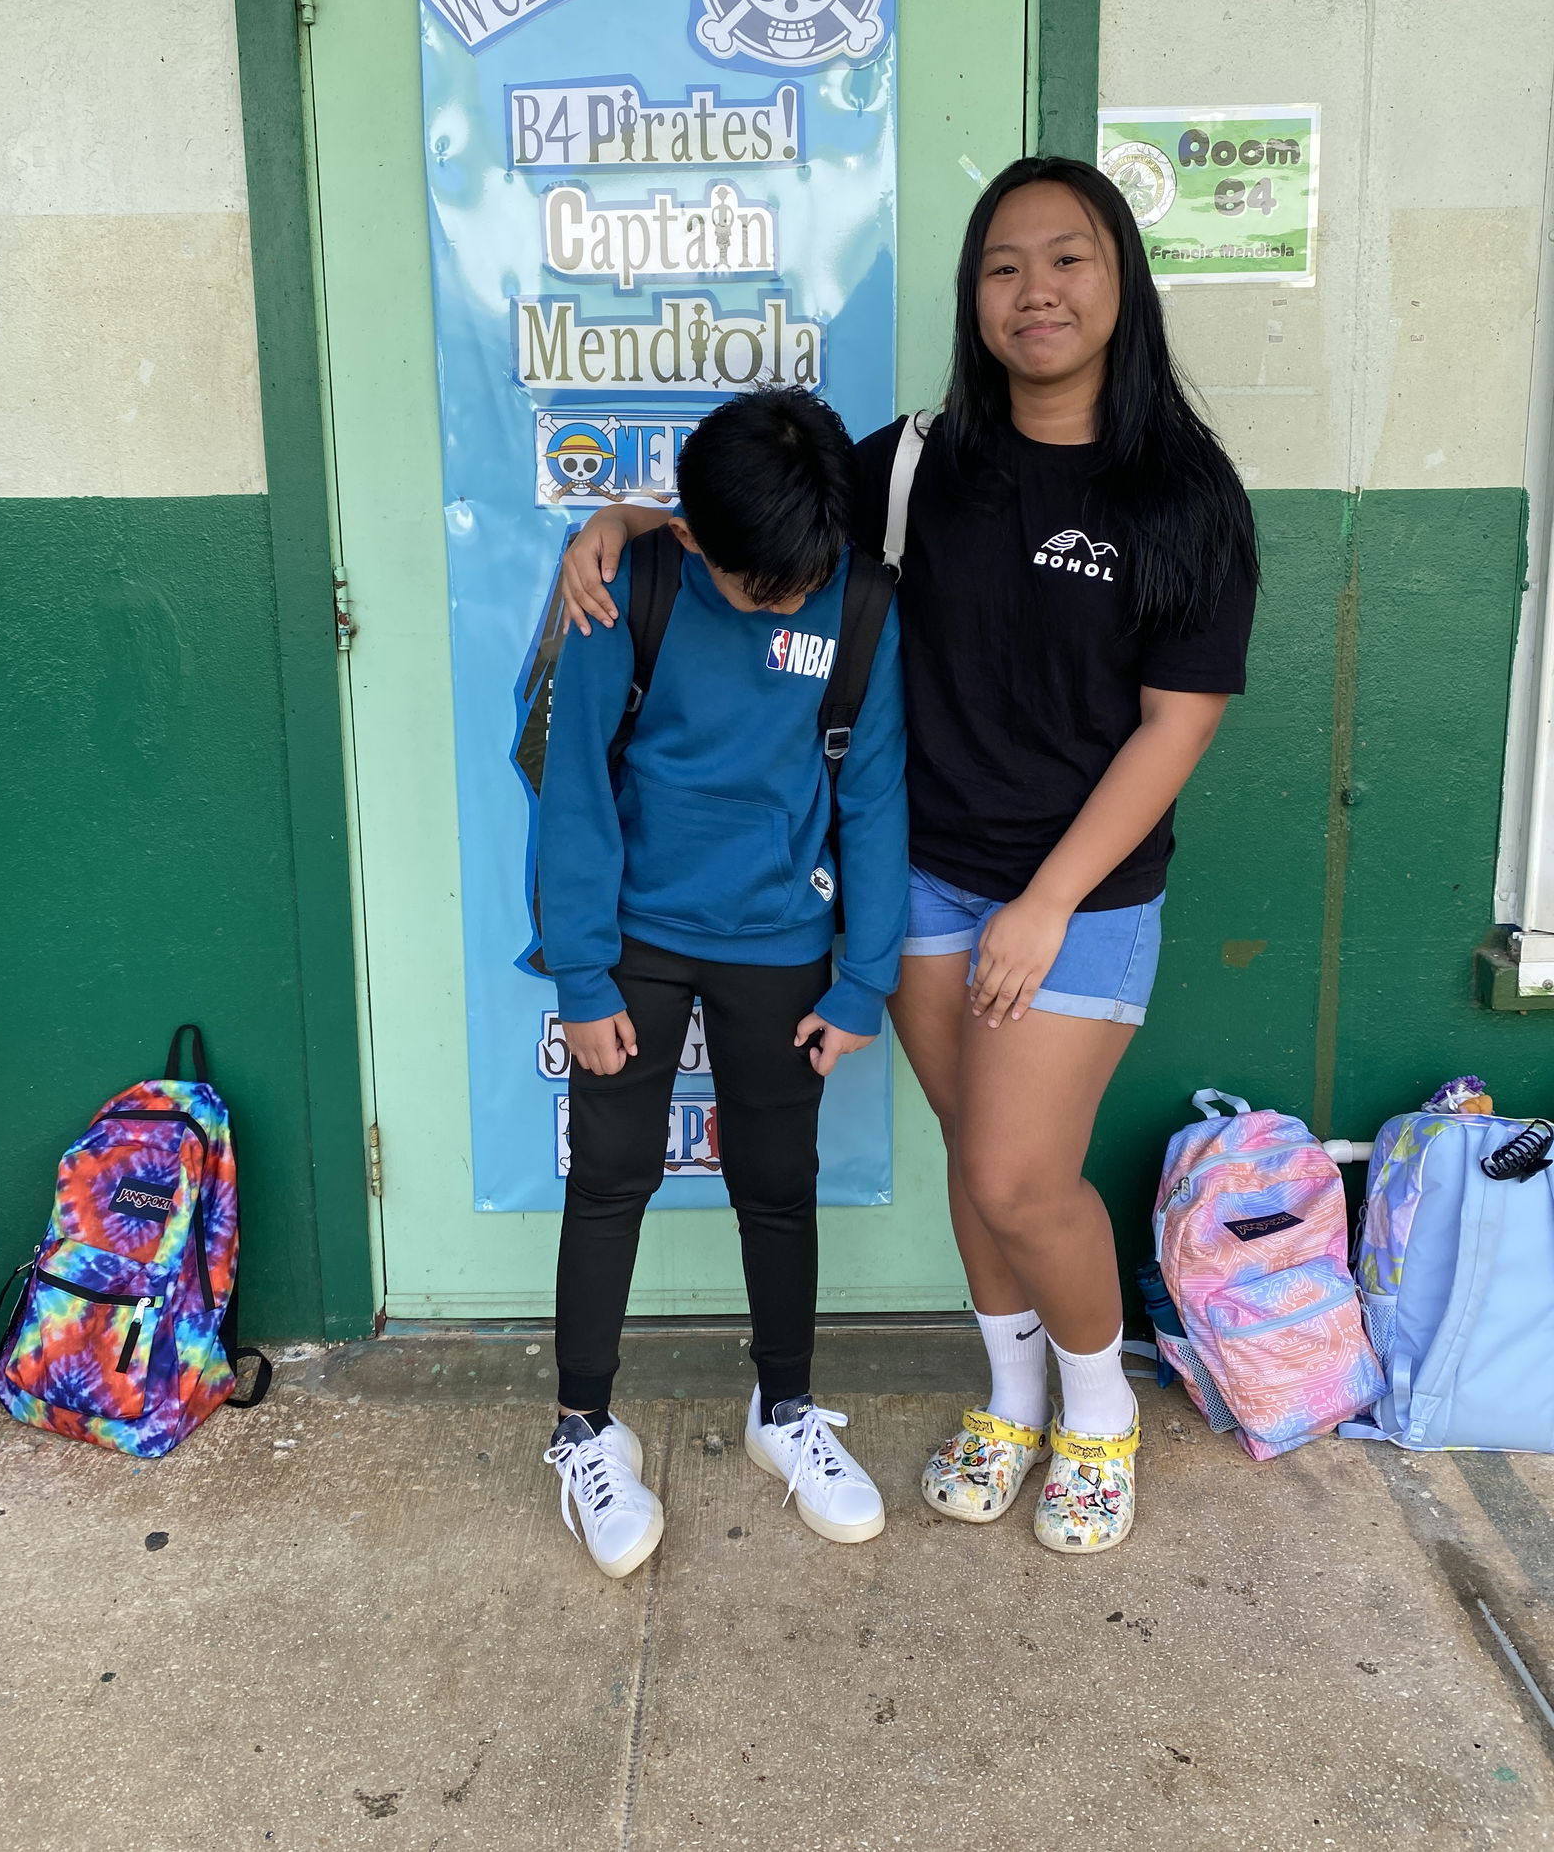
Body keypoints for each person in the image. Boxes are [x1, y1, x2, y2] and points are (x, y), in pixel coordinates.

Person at [560, 157, 1258, 1556]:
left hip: (1080, 896)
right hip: (929, 873)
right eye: (1004, 266)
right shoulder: (924, 460)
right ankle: (1008, 1403)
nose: (1036, 291)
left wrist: (1047, 903)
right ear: (973, 296)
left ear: (1122, 279)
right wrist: (626, 518)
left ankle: (1098, 1409)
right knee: (972, 1151)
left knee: (1018, 1173)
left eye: (1068, 259)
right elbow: (755, 515)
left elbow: (1178, 726)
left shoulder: (1184, 495)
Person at [538, 386, 908, 1578]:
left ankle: (784, 1413)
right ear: (693, 536)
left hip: (779, 945)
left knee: (776, 1182)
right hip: (638, 939)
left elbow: (873, 796)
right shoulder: (626, 586)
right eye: (768, 589)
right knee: (608, 1180)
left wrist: (863, 983)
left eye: (809, 576)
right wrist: (583, 977)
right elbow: (578, 793)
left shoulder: (857, 601)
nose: (792, 600)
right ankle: (584, 1429)